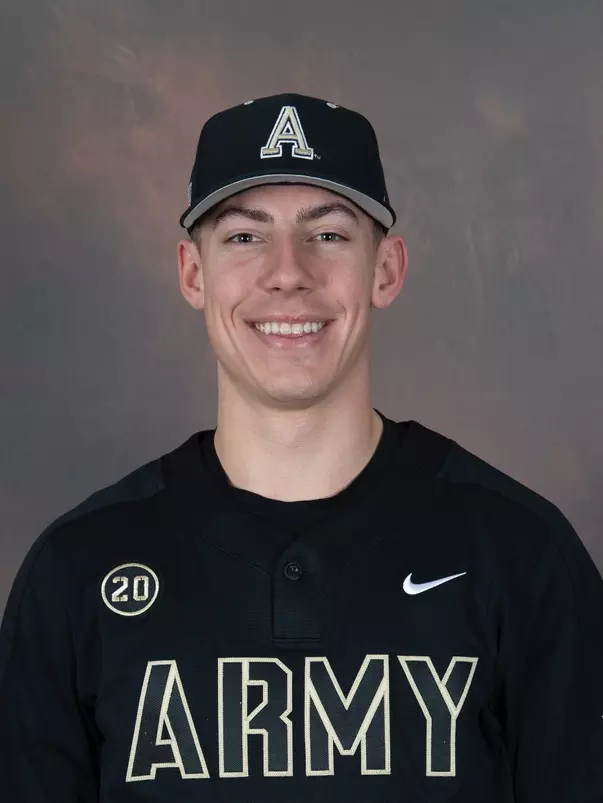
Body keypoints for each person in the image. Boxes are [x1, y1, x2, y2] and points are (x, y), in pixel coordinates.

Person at [0, 92, 602, 802]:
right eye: (244, 237)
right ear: (194, 273)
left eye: (329, 235)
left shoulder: (522, 556)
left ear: (387, 269)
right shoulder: (77, 570)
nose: (288, 272)